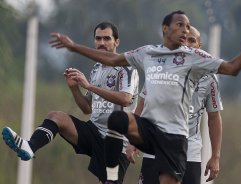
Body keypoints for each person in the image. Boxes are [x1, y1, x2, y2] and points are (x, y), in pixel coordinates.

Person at [48, 10, 241, 184]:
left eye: (188, 27)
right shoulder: (148, 53)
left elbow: (232, 68)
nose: (186, 30)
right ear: (165, 29)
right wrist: (73, 47)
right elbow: (111, 60)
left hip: (174, 137)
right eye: (180, 25)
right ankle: (111, 176)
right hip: (150, 130)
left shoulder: (194, 57)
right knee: (117, 120)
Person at [2, 22, 139, 184]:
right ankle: (29, 147)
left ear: (117, 42)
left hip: (117, 141)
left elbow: (124, 98)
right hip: (94, 131)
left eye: (107, 39)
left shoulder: (127, 67)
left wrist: (89, 86)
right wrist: (75, 89)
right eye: (98, 39)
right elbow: (87, 108)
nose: (101, 43)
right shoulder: (96, 69)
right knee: (56, 117)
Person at [136, 26, 223, 184]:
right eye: (184, 40)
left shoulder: (209, 78)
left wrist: (215, 156)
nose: (188, 44)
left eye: (192, 40)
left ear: (199, 46)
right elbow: (142, 104)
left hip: (189, 152)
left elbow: (214, 117)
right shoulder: (159, 69)